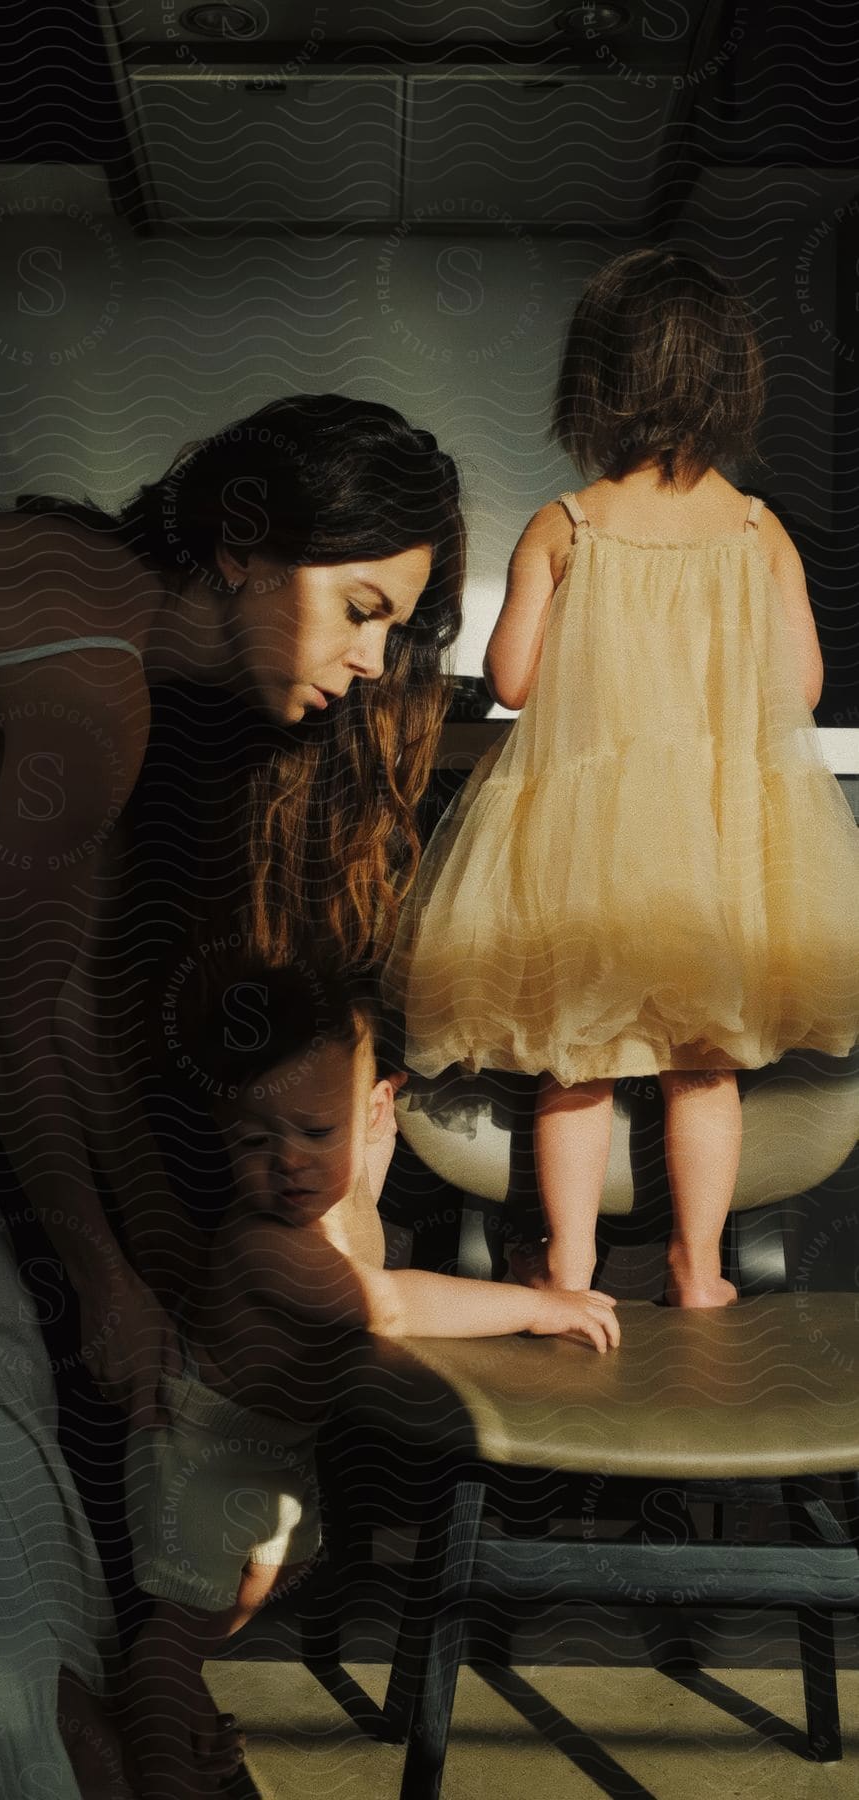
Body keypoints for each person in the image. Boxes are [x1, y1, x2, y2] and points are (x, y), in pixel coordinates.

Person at [0, 393, 464, 1798]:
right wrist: (108, 1283)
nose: (375, 664)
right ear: (243, 545)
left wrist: (155, 1262)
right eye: (363, 608)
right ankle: (72, 1766)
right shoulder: (95, 684)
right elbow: (13, 1032)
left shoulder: (87, 604)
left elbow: (64, 1020)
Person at [385, 248, 859, 1311]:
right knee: (707, 1066)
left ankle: (565, 1265)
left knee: (572, 1063)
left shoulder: (568, 522)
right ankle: (696, 1267)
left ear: (591, 385)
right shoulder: (754, 526)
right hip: (718, 848)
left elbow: (507, 680)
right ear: (731, 384)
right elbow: (804, 681)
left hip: (583, 851)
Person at [116, 957, 620, 1799]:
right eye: (252, 1141)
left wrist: (375, 1139)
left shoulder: (341, 1184)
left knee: (245, 1588)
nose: (287, 1165)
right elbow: (383, 1303)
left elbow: (362, 1199)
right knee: (179, 1628)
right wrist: (539, 1308)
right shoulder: (265, 1242)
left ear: (373, 1111)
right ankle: (152, 1727)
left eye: (315, 1133)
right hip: (205, 1455)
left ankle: (160, 1690)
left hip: (273, 1452)